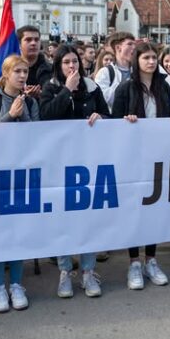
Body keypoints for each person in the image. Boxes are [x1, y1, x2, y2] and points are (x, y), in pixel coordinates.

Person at [39, 44, 109, 299]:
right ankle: (65, 272)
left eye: (75, 62)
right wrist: (66, 91)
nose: (72, 66)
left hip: (88, 161)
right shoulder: (51, 88)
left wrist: (101, 118)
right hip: (60, 163)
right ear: (59, 66)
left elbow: (109, 117)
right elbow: (46, 117)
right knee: (64, 219)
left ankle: (88, 271)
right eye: (66, 62)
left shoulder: (92, 88)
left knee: (87, 217)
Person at [112, 42, 170, 290]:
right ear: (136, 61)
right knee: (136, 209)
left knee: (154, 208)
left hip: (159, 155)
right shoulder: (125, 88)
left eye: (154, 58)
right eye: (146, 58)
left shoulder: (164, 87)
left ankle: (151, 260)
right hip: (133, 157)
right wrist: (126, 121)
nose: (152, 62)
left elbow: (168, 115)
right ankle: (134, 262)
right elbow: (114, 124)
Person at [0, 55, 38, 312]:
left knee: (18, 229)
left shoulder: (31, 101)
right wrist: (9, 116)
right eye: (18, 72)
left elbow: (37, 136)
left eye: (25, 72)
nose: (23, 76)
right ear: (6, 73)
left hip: (22, 171)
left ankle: (16, 284)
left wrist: (22, 115)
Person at [95, 32, 135, 112]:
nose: (134, 47)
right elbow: (104, 100)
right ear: (118, 48)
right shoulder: (105, 72)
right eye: (129, 44)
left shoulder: (139, 70)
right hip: (114, 120)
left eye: (134, 44)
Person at [17, 25, 53, 99]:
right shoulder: (11, 70)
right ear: (19, 45)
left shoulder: (52, 70)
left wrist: (42, 95)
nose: (33, 43)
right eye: (28, 40)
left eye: (36, 40)